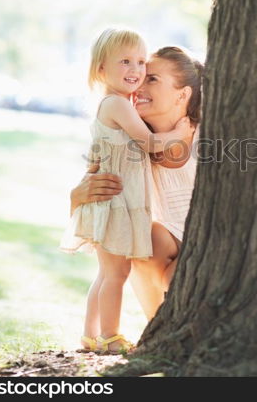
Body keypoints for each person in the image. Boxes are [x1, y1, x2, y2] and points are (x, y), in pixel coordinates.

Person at [60, 29, 194, 353]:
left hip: (115, 204)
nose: (136, 73)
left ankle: (91, 334)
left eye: (143, 67)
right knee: (115, 273)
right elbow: (147, 145)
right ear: (102, 70)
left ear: (183, 94)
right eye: (126, 63)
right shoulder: (118, 106)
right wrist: (178, 134)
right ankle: (109, 335)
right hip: (114, 203)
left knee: (108, 273)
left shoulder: (120, 106)